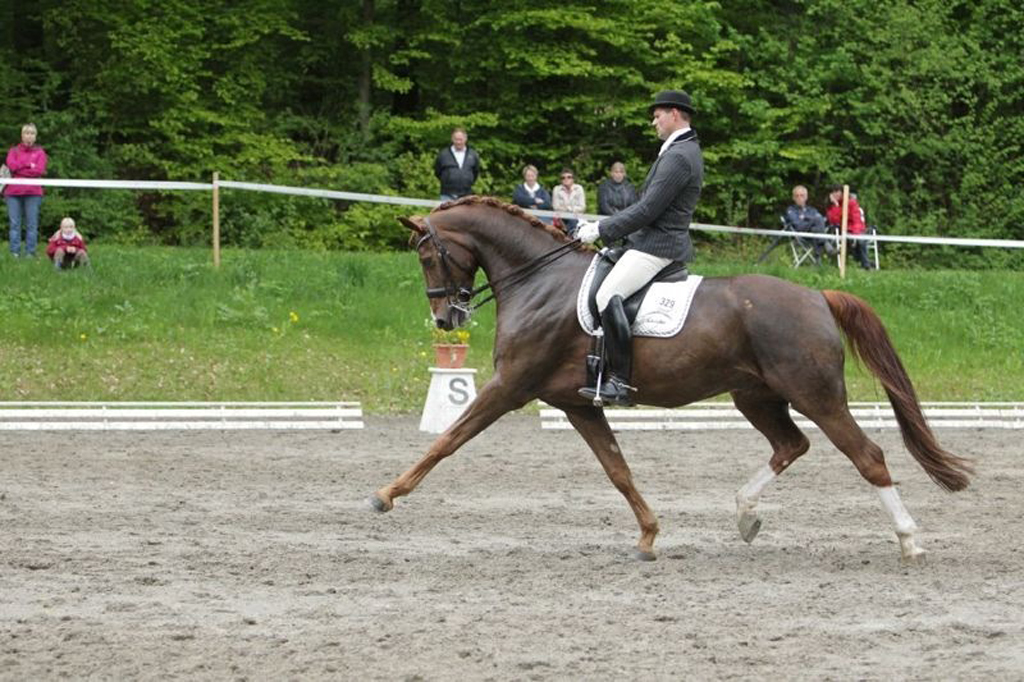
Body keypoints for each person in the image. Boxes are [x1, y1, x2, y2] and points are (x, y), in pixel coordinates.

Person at [574, 90, 704, 406]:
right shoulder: (679, 149)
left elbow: (648, 210)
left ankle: (619, 381)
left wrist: (600, 229)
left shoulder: (679, 156)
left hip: (658, 246)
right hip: (649, 240)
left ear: (674, 114)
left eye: (657, 116)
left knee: (607, 296)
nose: (653, 122)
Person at [5, 123, 48, 258]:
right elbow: (12, 166)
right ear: (22, 135)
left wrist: (21, 170)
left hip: (33, 192)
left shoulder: (40, 153)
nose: (29, 136)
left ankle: (30, 252)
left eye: (32, 133)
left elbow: (39, 171)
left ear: (35, 136)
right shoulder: (13, 151)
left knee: (31, 224)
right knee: (14, 224)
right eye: (27, 133)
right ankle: (15, 252)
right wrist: (29, 165)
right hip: (13, 193)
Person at [825, 184, 872, 269]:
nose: (835, 194)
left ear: (842, 192)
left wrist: (855, 233)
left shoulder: (851, 202)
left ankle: (865, 265)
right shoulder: (831, 206)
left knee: (860, 240)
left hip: (855, 228)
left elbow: (856, 219)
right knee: (849, 241)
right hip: (840, 230)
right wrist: (836, 205)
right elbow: (834, 221)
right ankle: (858, 263)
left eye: (837, 191)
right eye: (832, 192)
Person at [783, 184, 830, 263]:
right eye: (797, 196)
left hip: (812, 235)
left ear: (806, 197)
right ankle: (825, 245)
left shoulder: (812, 210)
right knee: (817, 219)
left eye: (802, 195)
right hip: (799, 235)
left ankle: (818, 256)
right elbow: (797, 224)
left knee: (816, 227)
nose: (799, 198)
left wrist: (805, 218)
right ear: (793, 198)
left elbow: (822, 220)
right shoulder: (791, 210)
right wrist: (811, 219)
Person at [434, 127, 481, 201]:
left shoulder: (473, 155)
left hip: (466, 195)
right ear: (452, 139)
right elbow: (437, 172)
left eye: (460, 139)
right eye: (456, 139)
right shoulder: (443, 154)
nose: (458, 142)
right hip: (447, 195)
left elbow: (476, 172)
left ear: (465, 139)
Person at [551, 168, 586, 235]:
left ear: (573, 179)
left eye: (569, 177)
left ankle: (571, 236)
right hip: (561, 216)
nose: (566, 179)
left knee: (573, 220)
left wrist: (568, 208)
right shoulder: (557, 189)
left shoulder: (579, 188)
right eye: (563, 178)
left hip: (577, 216)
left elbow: (582, 207)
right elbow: (556, 207)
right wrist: (571, 209)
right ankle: (572, 236)